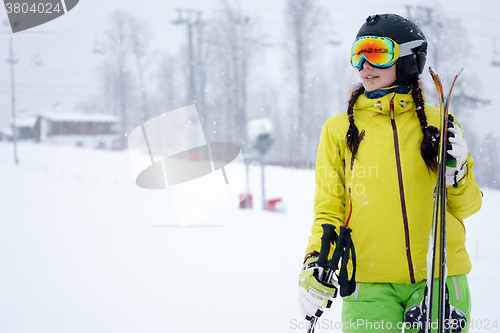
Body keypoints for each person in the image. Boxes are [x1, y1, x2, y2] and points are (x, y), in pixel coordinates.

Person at [298, 13, 482, 332]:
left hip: (439, 280)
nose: (365, 65)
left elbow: (467, 207)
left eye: (378, 52)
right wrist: (315, 260)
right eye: (359, 53)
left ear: (409, 59)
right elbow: (329, 209)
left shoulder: (441, 124)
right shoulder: (338, 130)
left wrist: (460, 174)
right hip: (367, 282)